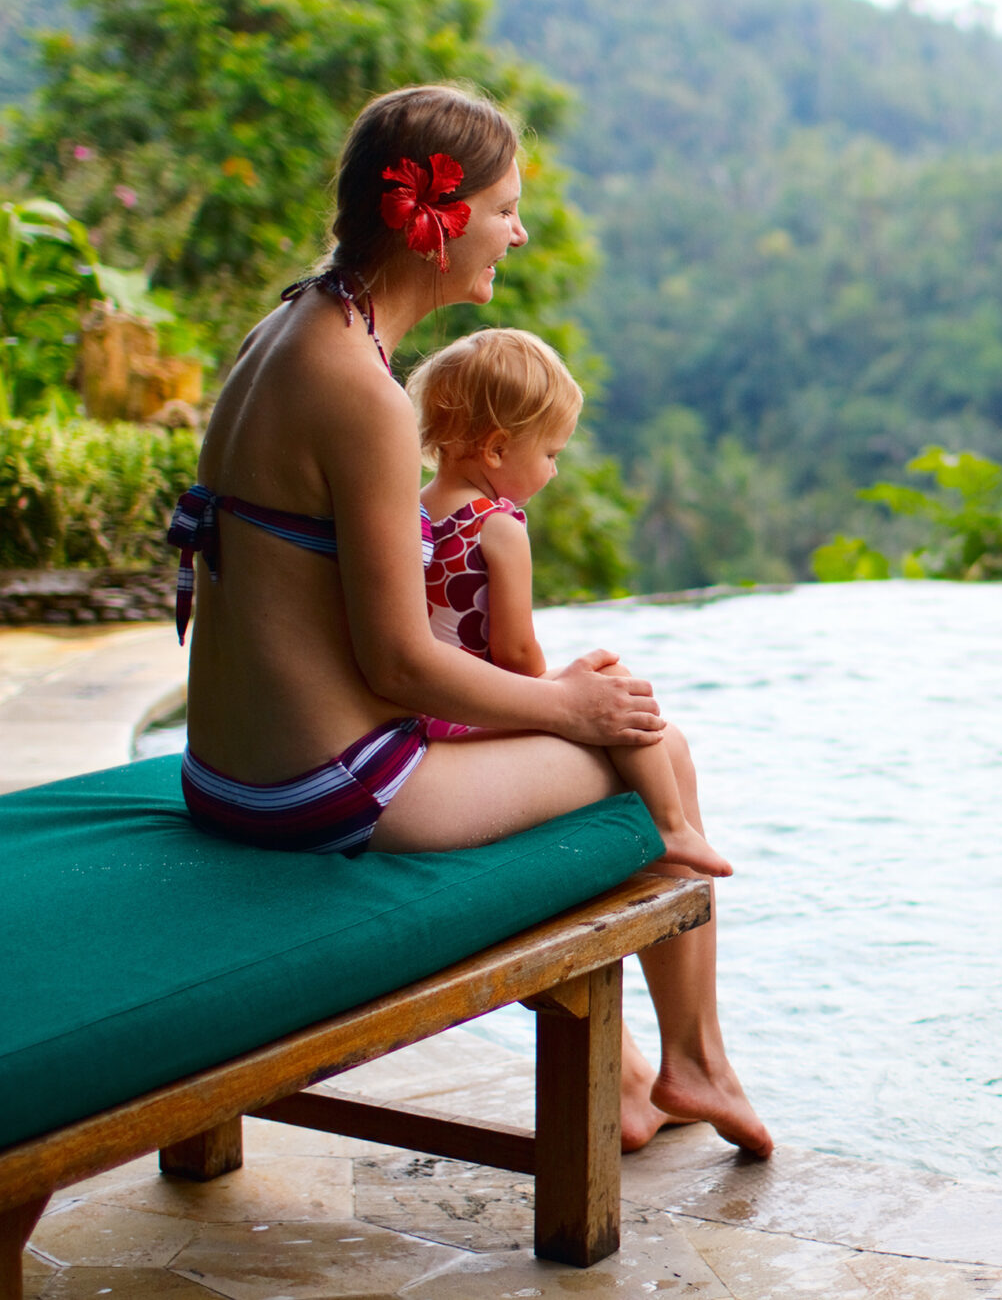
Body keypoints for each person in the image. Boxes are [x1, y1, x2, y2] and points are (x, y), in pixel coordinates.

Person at [166, 82, 769, 1156]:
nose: (518, 229)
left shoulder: (290, 330)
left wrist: (546, 704)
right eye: (502, 205)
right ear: (429, 218)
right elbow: (400, 664)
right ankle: (694, 1064)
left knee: (594, 732)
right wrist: (566, 705)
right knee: (652, 743)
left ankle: (633, 1080)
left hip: (226, 771)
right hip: (327, 790)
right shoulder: (358, 388)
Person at [408, 327, 731, 879]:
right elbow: (514, 652)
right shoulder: (497, 526)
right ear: (496, 447)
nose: (554, 470)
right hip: (470, 712)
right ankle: (673, 826)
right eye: (551, 453)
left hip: (420, 711)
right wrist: (553, 691)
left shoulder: (412, 509)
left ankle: (673, 829)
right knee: (615, 684)